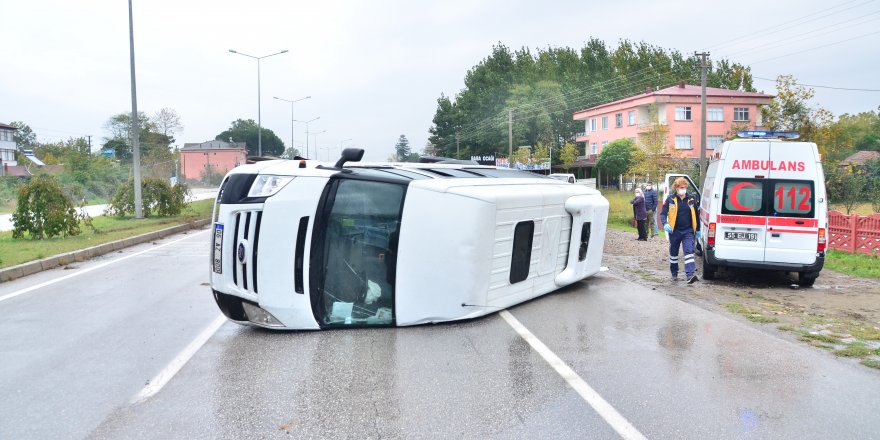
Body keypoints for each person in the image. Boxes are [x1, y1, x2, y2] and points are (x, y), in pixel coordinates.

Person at [660, 177, 700, 283]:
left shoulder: (691, 199)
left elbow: (696, 214)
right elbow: (663, 214)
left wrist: (698, 230)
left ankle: (690, 275)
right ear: (676, 188)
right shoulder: (670, 199)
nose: (683, 189)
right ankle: (674, 273)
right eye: (681, 187)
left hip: (688, 231)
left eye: (685, 187)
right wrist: (665, 223)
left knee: (689, 252)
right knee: (673, 253)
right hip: (675, 231)